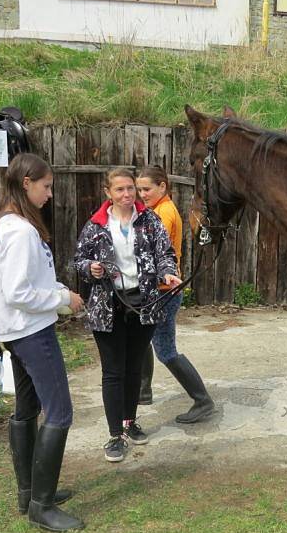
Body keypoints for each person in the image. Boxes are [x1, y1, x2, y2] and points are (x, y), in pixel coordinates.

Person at [0, 152, 85, 532]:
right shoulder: (21, 230)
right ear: (27, 183)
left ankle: (29, 493)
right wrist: (62, 301)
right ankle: (42, 507)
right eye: (46, 187)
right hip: (31, 332)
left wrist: (61, 290)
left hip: (15, 331)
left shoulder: (7, 222)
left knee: (27, 408)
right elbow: (18, 292)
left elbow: (28, 281)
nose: (49, 194)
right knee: (59, 412)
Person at [74, 168, 182, 463]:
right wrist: (90, 268)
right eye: (120, 189)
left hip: (143, 304)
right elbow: (78, 259)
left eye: (131, 189)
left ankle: (129, 422)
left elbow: (165, 254)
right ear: (108, 193)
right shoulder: (95, 225)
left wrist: (169, 273)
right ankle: (114, 435)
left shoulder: (150, 220)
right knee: (113, 371)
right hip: (106, 307)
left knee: (134, 367)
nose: (126, 194)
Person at [136, 167, 215, 422]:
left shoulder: (164, 214)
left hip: (164, 293)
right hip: (158, 291)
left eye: (146, 189)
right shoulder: (157, 210)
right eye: (139, 189)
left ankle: (202, 401)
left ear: (163, 186)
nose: (142, 194)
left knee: (166, 351)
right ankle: (143, 391)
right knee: (142, 341)